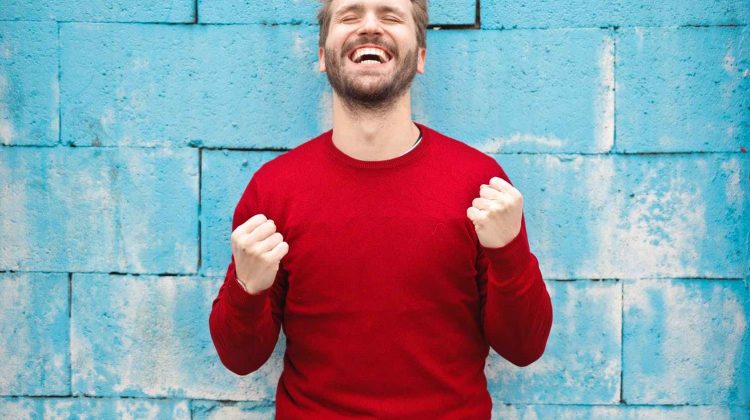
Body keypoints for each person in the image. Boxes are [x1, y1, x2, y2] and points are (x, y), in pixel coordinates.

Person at [208, 0, 553, 417]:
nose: (370, 26)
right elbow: (239, 359)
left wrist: (509, 251)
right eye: (350, 16)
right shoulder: (274, 190)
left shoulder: (480, 185)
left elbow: (525, 348)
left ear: (420, 57)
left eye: (390, 16)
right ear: (322, 56)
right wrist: (248, 290)